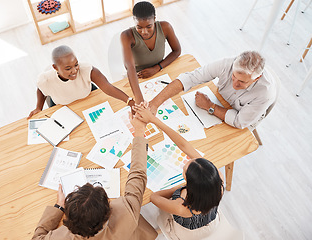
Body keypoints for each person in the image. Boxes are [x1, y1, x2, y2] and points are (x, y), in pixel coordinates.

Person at [31, 112, 158, 240]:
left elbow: (37, 237)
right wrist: (139, 130)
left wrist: (59, 206)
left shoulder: (62, 237)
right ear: (108, 212)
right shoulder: (126, 211)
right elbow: (138, 174)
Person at [133, 104, 224, 239]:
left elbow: (154, 197)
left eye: (185, 170)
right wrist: (153, 120)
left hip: (188, 233)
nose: (186, 161)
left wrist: (178, 189)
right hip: (211, 221)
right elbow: (184, 145)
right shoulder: (218, 180)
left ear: (190, 184)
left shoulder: (181, 207)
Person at [149, 51, 277, 130]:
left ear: (257, 78)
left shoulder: (265, 93)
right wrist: (154, 104)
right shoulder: (227, 63)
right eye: (233, 76)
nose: (235, 84)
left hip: (244, 120)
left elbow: (239, 122)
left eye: (242, 82)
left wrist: (210, 106)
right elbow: (191, 78)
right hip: (221, 100)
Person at [28, 45, 135, 119]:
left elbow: (108, 87)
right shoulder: (46, 79)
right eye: (68, 68)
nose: (74, 71)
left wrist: (129, 101)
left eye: (76, 64)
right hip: (63, 107)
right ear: (55, 67)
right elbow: (41, 90)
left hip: (88, 98)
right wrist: (38, 107)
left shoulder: (87, 69)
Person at [121, 1, 181, 103]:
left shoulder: (165, 27)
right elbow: (129, 67)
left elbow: (177, 51)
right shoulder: (127, 36)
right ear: (134, 21)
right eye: (139, 27)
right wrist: (139, 97)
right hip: (137, 78)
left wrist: (157, 68)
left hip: (161, 70)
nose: (144, 32)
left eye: (149, 26)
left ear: (154, 19)